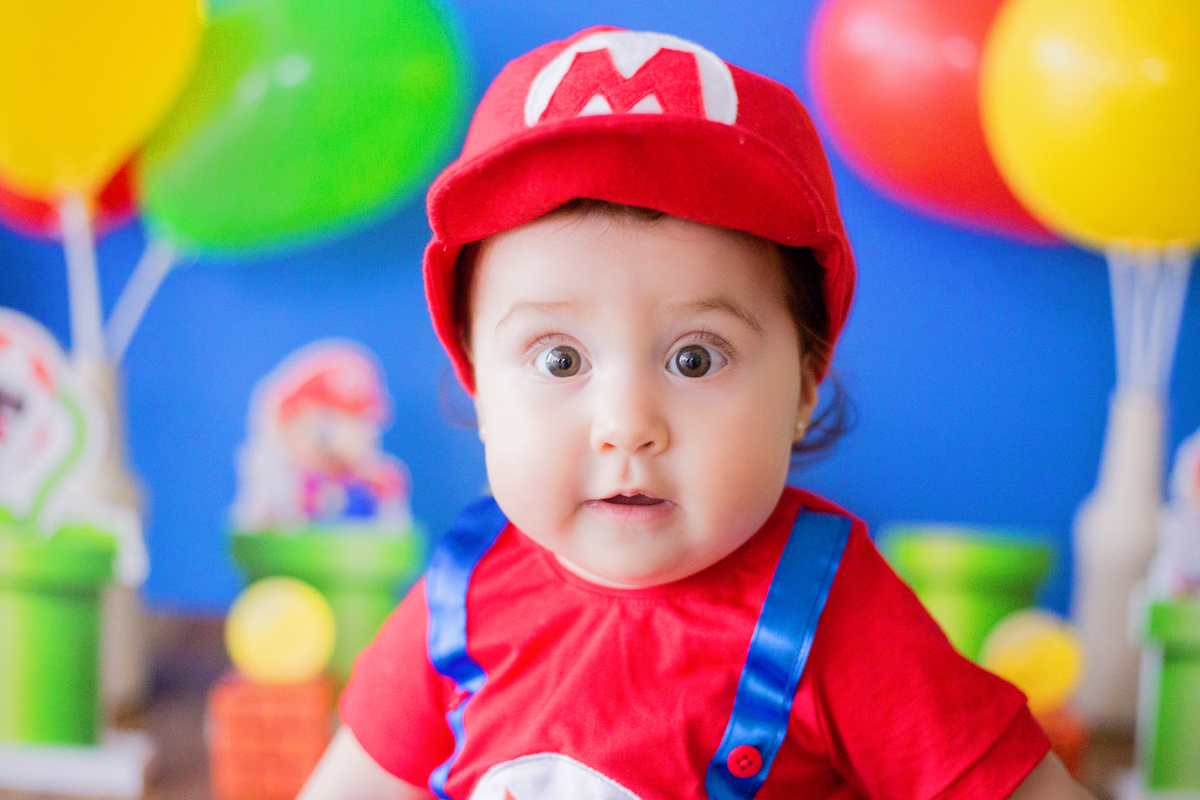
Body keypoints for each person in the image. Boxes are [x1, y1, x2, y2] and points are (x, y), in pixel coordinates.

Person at [299, 26, 1093, 800]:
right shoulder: (457, 597)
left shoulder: (836, 620)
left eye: (695, 358)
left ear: (806, 383)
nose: (628, 423)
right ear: (478, 383)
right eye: (560, 359)